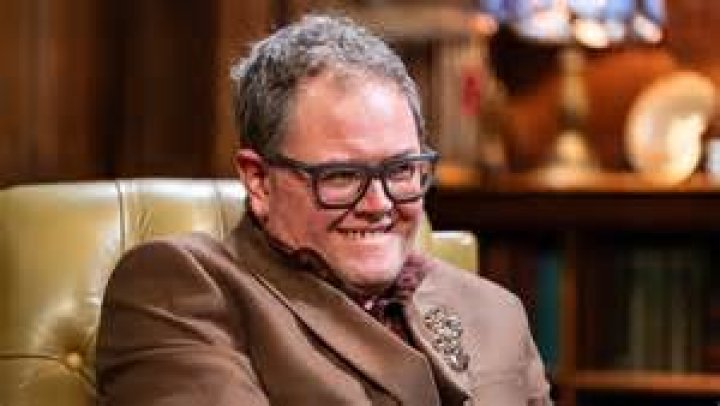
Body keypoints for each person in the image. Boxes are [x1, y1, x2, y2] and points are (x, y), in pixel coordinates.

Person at [96, 14, 551, 405]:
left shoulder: (494, 310)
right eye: (342, 176)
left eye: (400, 170)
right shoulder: (180, 287)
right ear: (259, 180)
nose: (378, 204)